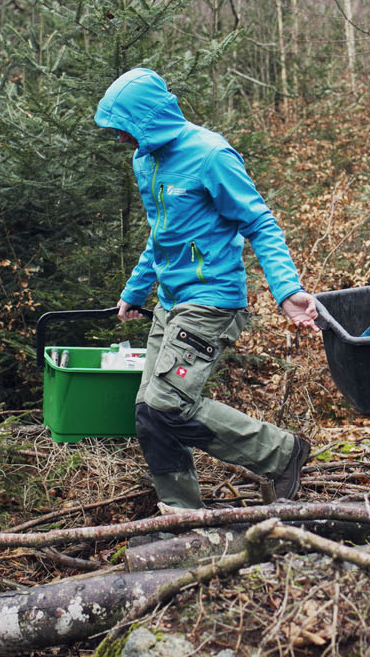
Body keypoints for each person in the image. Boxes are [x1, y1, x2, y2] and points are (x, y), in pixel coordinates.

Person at [95, 67, 317, 511]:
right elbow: (161, 234)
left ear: (148, 120)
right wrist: (135, 290)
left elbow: (259, 222)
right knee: (148, 414)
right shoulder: (145, 160)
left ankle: (282, 452)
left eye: (125, 128)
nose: (120, 138)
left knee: (167, 405)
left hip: (212, 299)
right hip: (170, 303)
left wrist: (287, 291)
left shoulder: (211, 154)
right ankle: (180, 517)